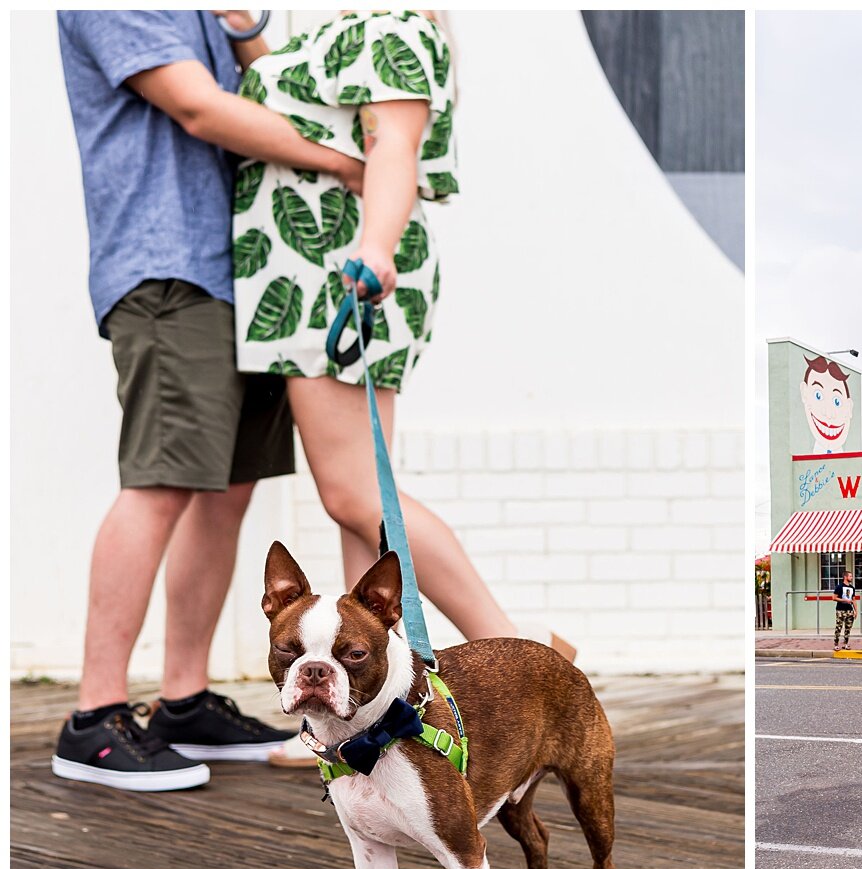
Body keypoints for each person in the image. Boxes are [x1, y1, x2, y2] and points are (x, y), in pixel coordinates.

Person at [231, 13, 573, 765]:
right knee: (353, 506)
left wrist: (376, 248)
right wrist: (247, 30)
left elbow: (394, 143)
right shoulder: (340, 31)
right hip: (310, 268)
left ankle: (521, 659)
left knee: (359, 492)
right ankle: (353, 716)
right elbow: (296, 103)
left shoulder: (396, 24)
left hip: (340, 269)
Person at [52, 10, 370, 791]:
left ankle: (184, 701)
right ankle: (93, 718)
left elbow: (275, 87)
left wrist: (246, 24)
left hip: (248, 275)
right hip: (171, 267)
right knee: (159, 481)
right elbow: (197, 107)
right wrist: (346, 164)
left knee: (226, 490)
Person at [833, 570, 858, 651]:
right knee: (838, 627)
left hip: (849, 610)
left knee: (848, 628)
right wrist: (844, 600)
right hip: (840, 610)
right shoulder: (839, 587)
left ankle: (845, 644)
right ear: (845, 577)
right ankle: (836, 644)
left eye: (851, 576)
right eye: (850, 576)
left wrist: (855, 610)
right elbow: (834, 598)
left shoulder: (852, 588)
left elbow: (854, 600)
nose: (851, 577)